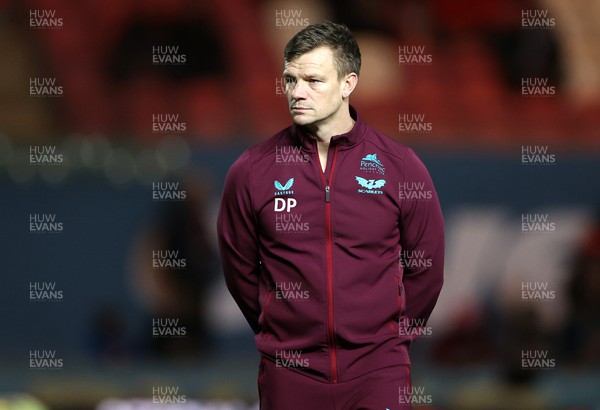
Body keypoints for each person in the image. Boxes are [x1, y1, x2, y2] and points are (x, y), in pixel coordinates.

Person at [217, 21, 444, 409]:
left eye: (313, 80)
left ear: (348, 83)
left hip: (378, 372)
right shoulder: (252, 170)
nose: (297, 92)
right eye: (290, 79)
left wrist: (388, 340)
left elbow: (427, 270)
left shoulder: (400, 167)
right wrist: (283, 330)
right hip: (289, 372)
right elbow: (240, 271)